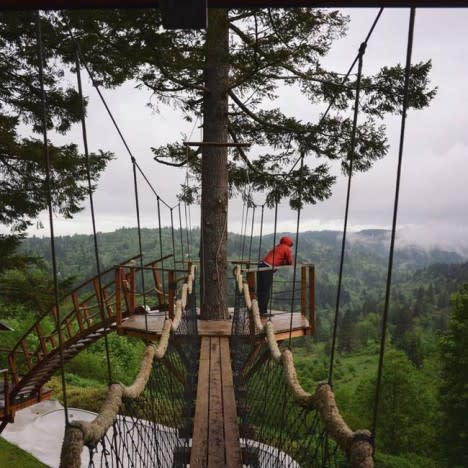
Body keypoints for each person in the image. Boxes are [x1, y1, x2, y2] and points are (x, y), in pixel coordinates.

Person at [256, 236, 294, 316]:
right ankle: (263, 312)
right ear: (289, 243)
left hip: (261, 265)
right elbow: (290, 262)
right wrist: (284, 261)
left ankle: (258, 310)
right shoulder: (287, 248)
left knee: (260, 289)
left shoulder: (278, 246)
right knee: (265, 290)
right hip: (268, 268)